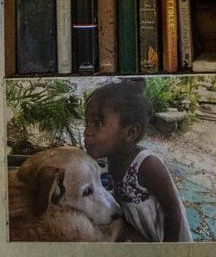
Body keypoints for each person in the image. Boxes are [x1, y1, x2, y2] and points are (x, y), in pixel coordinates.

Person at [82, 80, 192, 243]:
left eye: (98, 123)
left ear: (131, 132)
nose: (87, 132)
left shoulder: (148, 165)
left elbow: (173, 212)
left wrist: (169, 255)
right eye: (87, 123)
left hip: (164, 241)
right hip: (138, 238)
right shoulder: (106, 160)